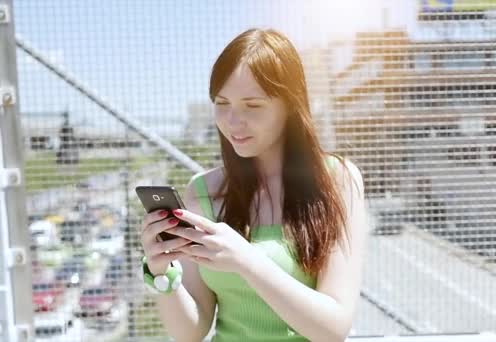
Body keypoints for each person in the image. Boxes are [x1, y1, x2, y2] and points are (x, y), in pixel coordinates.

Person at [139, 28, 367, 342]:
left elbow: (333, 328)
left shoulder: (338, 180)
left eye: (253, 105)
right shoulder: (203, 192)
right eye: (222, 103)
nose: (233, 122)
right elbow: (191, 331)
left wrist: (246, 260)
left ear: (290, 105)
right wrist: (162, 274)